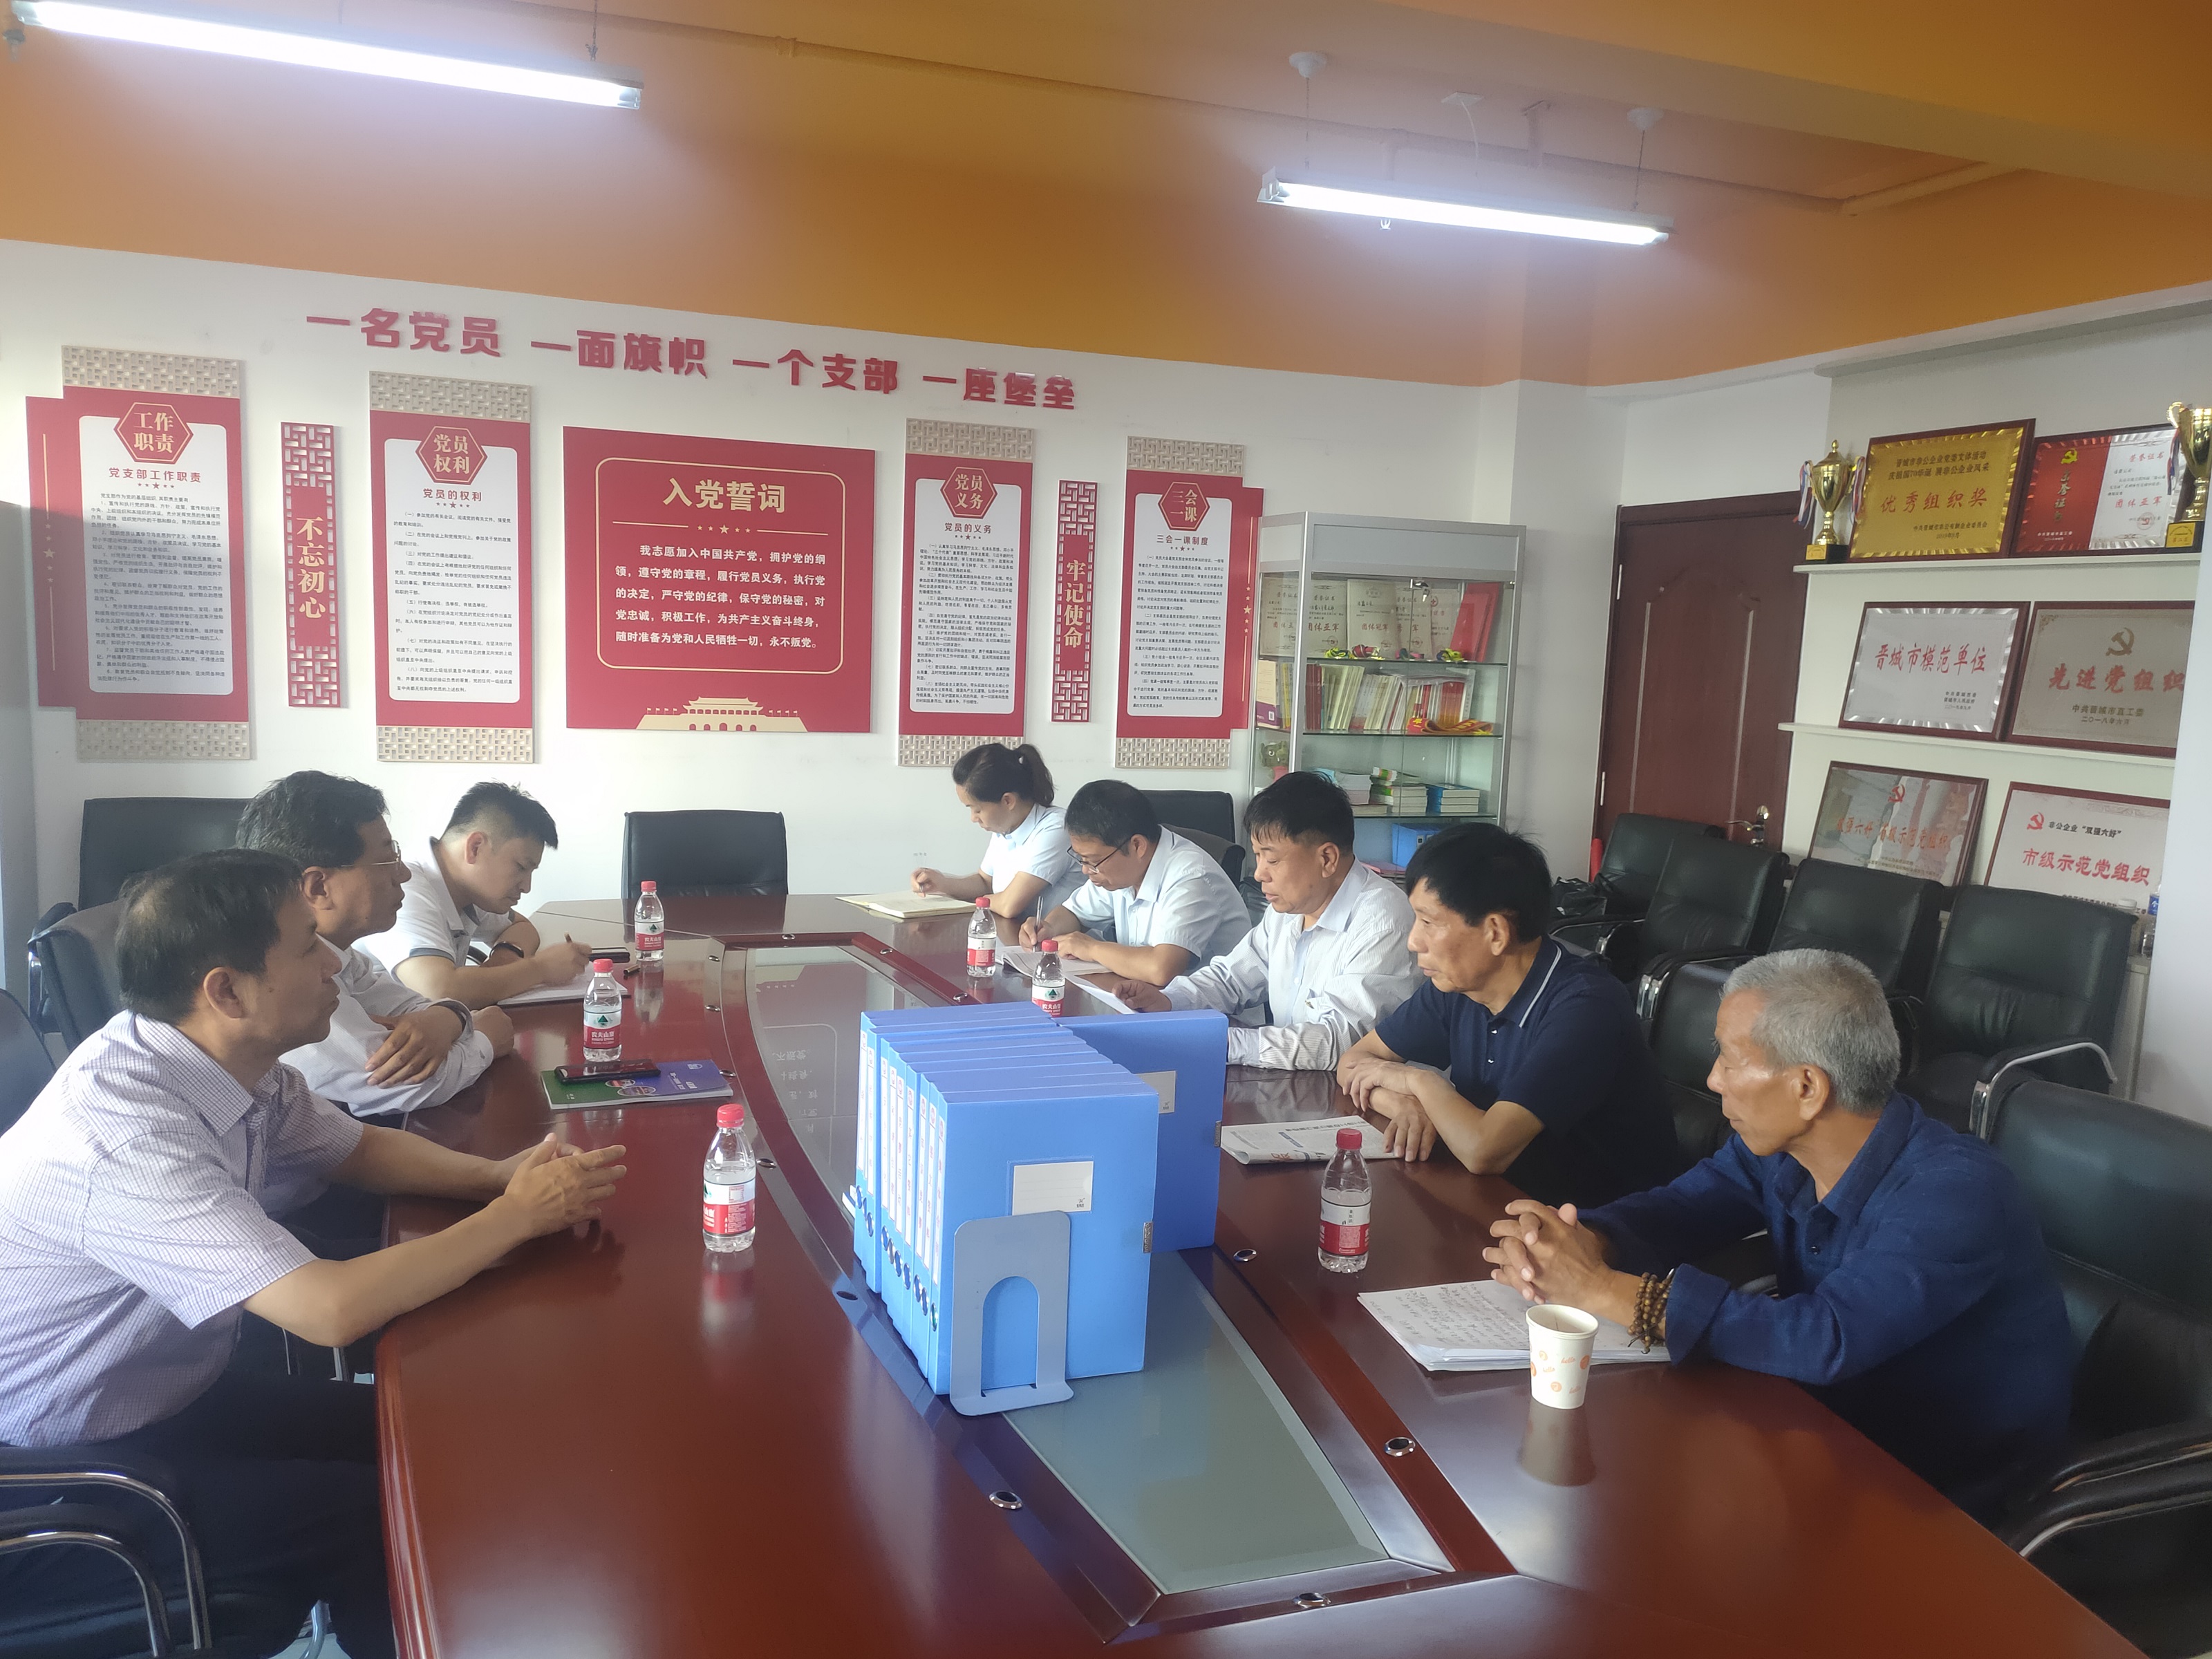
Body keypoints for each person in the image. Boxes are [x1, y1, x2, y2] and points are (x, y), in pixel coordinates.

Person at [0, 850, 627, 1659]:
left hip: (156, 1393)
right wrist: (512, 1219)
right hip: (53, 1474)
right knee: (378, 1508)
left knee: (425, 1435)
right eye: (306, 946)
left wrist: (495, 1179)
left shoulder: (218, 1060)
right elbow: (328, 1311)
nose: (334, 963)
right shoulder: (125, 1135)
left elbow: (355, 1148)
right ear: (227, 991)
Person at [1483, 949, 2074, 1517]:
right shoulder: (1779, 1150)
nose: (1713, 1079)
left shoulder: (1957, 1192)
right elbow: (1678, 1210)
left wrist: (1600, 1289)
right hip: (1816, 1436)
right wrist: (1586, 1240)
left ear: (1807, 1088)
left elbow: (1826, 1337)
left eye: (1730, 1059)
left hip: (1943, 1494)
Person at [1335, 823, 1679, 1206]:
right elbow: (1353, 1063)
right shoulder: (1459, 985)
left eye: (1429, 922)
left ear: (1496, 933)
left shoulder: (1586, 1008)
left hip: (1599, 1224)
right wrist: (1406, 1105)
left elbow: (1484, 1151)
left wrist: (1419, 1083)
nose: (1414, 941)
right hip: (1501, 1200)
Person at [239, 771, 515, 1120]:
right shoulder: (280, 979)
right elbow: (408, 1084)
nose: (403, 874)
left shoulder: (341, 956)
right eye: (387, 860)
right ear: (318, 887)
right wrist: (485, 1038)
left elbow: (418, 1006)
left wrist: (450, 1018)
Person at [1107, 771, 1417, 1068]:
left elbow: (1341, 1041)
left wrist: (1223, 1044)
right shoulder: (1290, 909)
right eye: (1257, 856)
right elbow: (1232, 979)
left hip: (1363, 1095)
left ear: (1327, 859)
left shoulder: (1383, 921)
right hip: (1297, 1080)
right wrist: (1169, 1001)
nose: (1259, 874)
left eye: (1272, 859)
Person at [359, 780, 590, 1009]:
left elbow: (521, 927)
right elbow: (440, 990)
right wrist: (540, 969)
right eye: (521, 867)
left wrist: (505, 958)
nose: (526, 886)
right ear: (475, 847)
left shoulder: (468, 890)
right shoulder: (405, 888)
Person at [1018, 780, 1250, 988]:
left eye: (1093, 861)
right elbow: (1074, 913)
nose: (1086, 870)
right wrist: (1048, 929)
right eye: (1082, 859)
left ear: (1137, 846)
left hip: (1215, 1014)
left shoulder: (1191, 878)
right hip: (1149, 999)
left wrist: (1090, 948)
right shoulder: (1120, 869)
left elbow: (1161, 969)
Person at [909, 742, 1080, 926]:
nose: (973, 818)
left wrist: (967, 902)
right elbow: (985, 882)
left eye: (977, 809)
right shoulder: (1005, 828)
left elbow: (1009, 905)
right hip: (1017, 936)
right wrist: (943, 884)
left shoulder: (1056, 828)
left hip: (1062, 940)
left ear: (1007, 801)